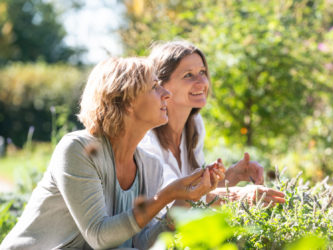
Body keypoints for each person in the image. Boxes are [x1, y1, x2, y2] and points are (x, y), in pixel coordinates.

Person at [0, 57, 223, 250]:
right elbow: (98, 236)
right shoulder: (78, 150)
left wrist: (182, 199)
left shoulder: (150, 165)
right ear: (126, 101)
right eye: (155, 86)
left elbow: (142, 244)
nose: (166, 94)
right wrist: (165, 196)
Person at [139, 40, 285, 206]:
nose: (202, 82)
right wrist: (237, 195)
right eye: (188, 75)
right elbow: (170, 200)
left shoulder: (195, 125)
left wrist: (233, 176)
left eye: (202, 72)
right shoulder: (146, 138)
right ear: (161, 84)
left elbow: (195, 197)